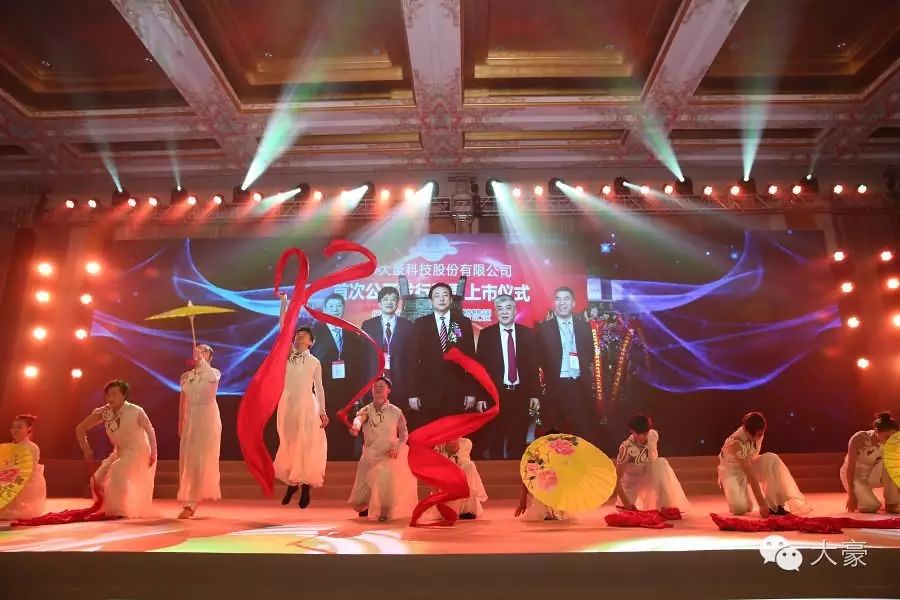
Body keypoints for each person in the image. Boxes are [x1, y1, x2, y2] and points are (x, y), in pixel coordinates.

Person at [75, 380, 158, 518]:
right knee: (97, 479)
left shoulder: (136, 411)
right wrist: (86, 448)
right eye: (108, 395)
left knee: (117, 469)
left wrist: (153, 454)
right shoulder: (104, 412)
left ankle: (119, 511)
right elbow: (80, 429)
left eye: (114, 394)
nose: (110, 398)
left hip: (138, 451)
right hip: (119, 451)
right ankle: (104, 508)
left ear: (124, 395)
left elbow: (150, 431)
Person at [475, 294, 540, 459]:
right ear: (495, 312)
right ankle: (497, 471)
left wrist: (534, 394)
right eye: (500, 309)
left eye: (508, 308)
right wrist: (481, 396)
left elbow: (532, 366)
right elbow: (480, 368)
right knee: (495, 440)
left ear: (515, 310)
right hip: (495, 395)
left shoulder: (527, 334)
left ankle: (515, 471)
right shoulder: (486, 335)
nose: (504, 312)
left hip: (520, 394)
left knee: (517, 439)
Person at [407, 282, 477, 429]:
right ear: (431, 301)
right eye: (437, 296)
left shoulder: (462, 323)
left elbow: (471, 359)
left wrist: (471, 392)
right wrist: (413, 393)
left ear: (451, 300)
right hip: (428, 392)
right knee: (430, 434)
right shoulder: (421, 324)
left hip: (456, 392)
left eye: (445, 295)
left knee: (454, 436)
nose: (441, 299)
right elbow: (412, 360)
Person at [537, 287, 599, 448]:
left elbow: (589, 353)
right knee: (555, 436)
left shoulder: (584, 327)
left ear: (573, 303)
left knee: (583, 432)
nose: (562, 302)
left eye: (566, 299)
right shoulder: (544, 329)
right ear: (554, 303)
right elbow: (540, 358)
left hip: (580, 385)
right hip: (555, 386)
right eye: (558, 299)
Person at [348, 377, 417, 521]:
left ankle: (385, 512)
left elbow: (404, 434)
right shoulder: (366, 410)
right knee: (359, 502)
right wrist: (355, 427)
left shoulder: (396, 412)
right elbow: (359, 419)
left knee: (385, 481)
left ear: (388, 390)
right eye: (375, 386)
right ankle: (367, 504)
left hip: (387, 454)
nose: (378, 388)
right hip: (369, 454)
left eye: (381, 386)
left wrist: (397, 448)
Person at [717, 411, 810, 517]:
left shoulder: (758, 431)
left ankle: (775, 505)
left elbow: (752, 460)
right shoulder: (735, 444)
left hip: (749, 462)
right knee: (740, 508)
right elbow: (750, 474)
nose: (760, 437)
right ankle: (738, 491)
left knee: (772, 459)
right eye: (758, 435)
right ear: (746, 431)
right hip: (733, 472)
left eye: (761, 434)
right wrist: (762, 505)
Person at [274, 326, 328, 508]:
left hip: (307, 406)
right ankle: (292, 482)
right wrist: (283, 308)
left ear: (311, 342)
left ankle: (305, 487)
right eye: (297, 335)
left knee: (306, 444)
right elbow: (283, 331)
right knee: (289, 443)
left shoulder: (314, 362)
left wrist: (322, 411)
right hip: (288, 405)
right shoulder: (286, 358)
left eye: (303, 336)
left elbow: (319, 387)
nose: (298, 338)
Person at [312, 293, 366, 460]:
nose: (335, 309)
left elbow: (359, 365)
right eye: (331, 306)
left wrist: (358, 395)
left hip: (347, 394)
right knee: (324, 433)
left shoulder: (352, 334)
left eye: (338, 306)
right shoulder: (314, 333)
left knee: (346, 436)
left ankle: (345, 466)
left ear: (343, 309)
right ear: (324, 309)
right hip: (323, 392)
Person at [176, 344, 222, 519]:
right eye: (198, 349)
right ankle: (189, 499)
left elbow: (211, 379)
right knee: (189, 460)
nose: (200, 352)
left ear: (211, 356)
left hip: (207, 418)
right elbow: (183, 400)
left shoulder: (214, 373)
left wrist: (203, 362)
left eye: (205, 351)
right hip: (191, 419)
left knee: (200, 460)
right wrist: (181, 421)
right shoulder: (186, 376)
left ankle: (191, 502)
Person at [614, 415, 689, 512]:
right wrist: (626, 503)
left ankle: (664, 505)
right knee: (627, 511)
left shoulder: (653, 435)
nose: (642, 437)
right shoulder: (626, 448)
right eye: (638, 433)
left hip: (650, 479)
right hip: (631, 484)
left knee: (660, 463)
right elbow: (616, 479)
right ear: (631, 431)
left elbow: (653, 459)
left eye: (645, 433)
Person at [361, 286, 413, 411]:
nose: (389, 302)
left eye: (393, 299)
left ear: (397, 303)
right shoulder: (368, 325)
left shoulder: (407, 325)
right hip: (374, 382)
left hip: (400, 382)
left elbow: (411, 358)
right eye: (385, 299)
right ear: (379, 303)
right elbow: (362, 357)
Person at [842, 412, 900, 514]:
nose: (889, 441)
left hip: (871, 474)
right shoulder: (859, 438)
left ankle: (891, 503)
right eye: (887, 437)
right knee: (870, 507)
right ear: (876, 431)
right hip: (854, 476)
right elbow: (850, 467)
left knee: (891, 465)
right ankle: (862, 495)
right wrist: (851, 495)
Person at [0, 414, 46, 520]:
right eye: (13, 427)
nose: (14, 430)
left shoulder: (32, 447)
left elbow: (27, 472)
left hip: (24, 482)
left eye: (19, 427)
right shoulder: (10, 447)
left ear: (28, 429)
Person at [514, 428, 566, 521]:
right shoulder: (537, 455)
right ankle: (549, 511)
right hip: (542, 488)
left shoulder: (562, 457)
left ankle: (554, 511)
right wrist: (522, 501)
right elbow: (527, 476)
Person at [435, 437, 488, 519]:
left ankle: (467, 509)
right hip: (446, 479)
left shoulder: (466, 443)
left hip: (462, 475)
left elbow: (463, 460)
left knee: (469, 467)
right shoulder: (439, 446)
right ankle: (450, 508)